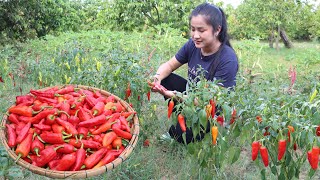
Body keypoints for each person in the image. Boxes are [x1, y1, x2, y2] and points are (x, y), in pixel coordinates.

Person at [150, 3, 238, 144]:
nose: (195, 35)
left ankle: (205, 128)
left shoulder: (228, 59)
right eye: (193, 29)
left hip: (211, 109)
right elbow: (169, 65)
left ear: (217, 30)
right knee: (166, 79)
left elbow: (208, 101)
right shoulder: (192, 45)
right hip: (191, 96)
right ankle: (183, 118)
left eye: (201, 30)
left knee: (179, 136)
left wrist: (176, 96)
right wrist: (157, 78)